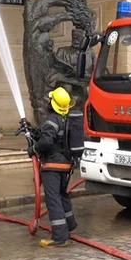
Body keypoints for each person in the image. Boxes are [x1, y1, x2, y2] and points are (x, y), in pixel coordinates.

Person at [27, 86, 78, 247]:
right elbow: (52, 137)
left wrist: (33, 149)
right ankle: (69, 225)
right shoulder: (65, 118)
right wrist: (34, 132)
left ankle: (59, 237)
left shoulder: (51, 120)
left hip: (52, 165)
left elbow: (47, 141)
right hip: (65, 165)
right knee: (62, 194)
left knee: (53, 198)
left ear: (52, 103)